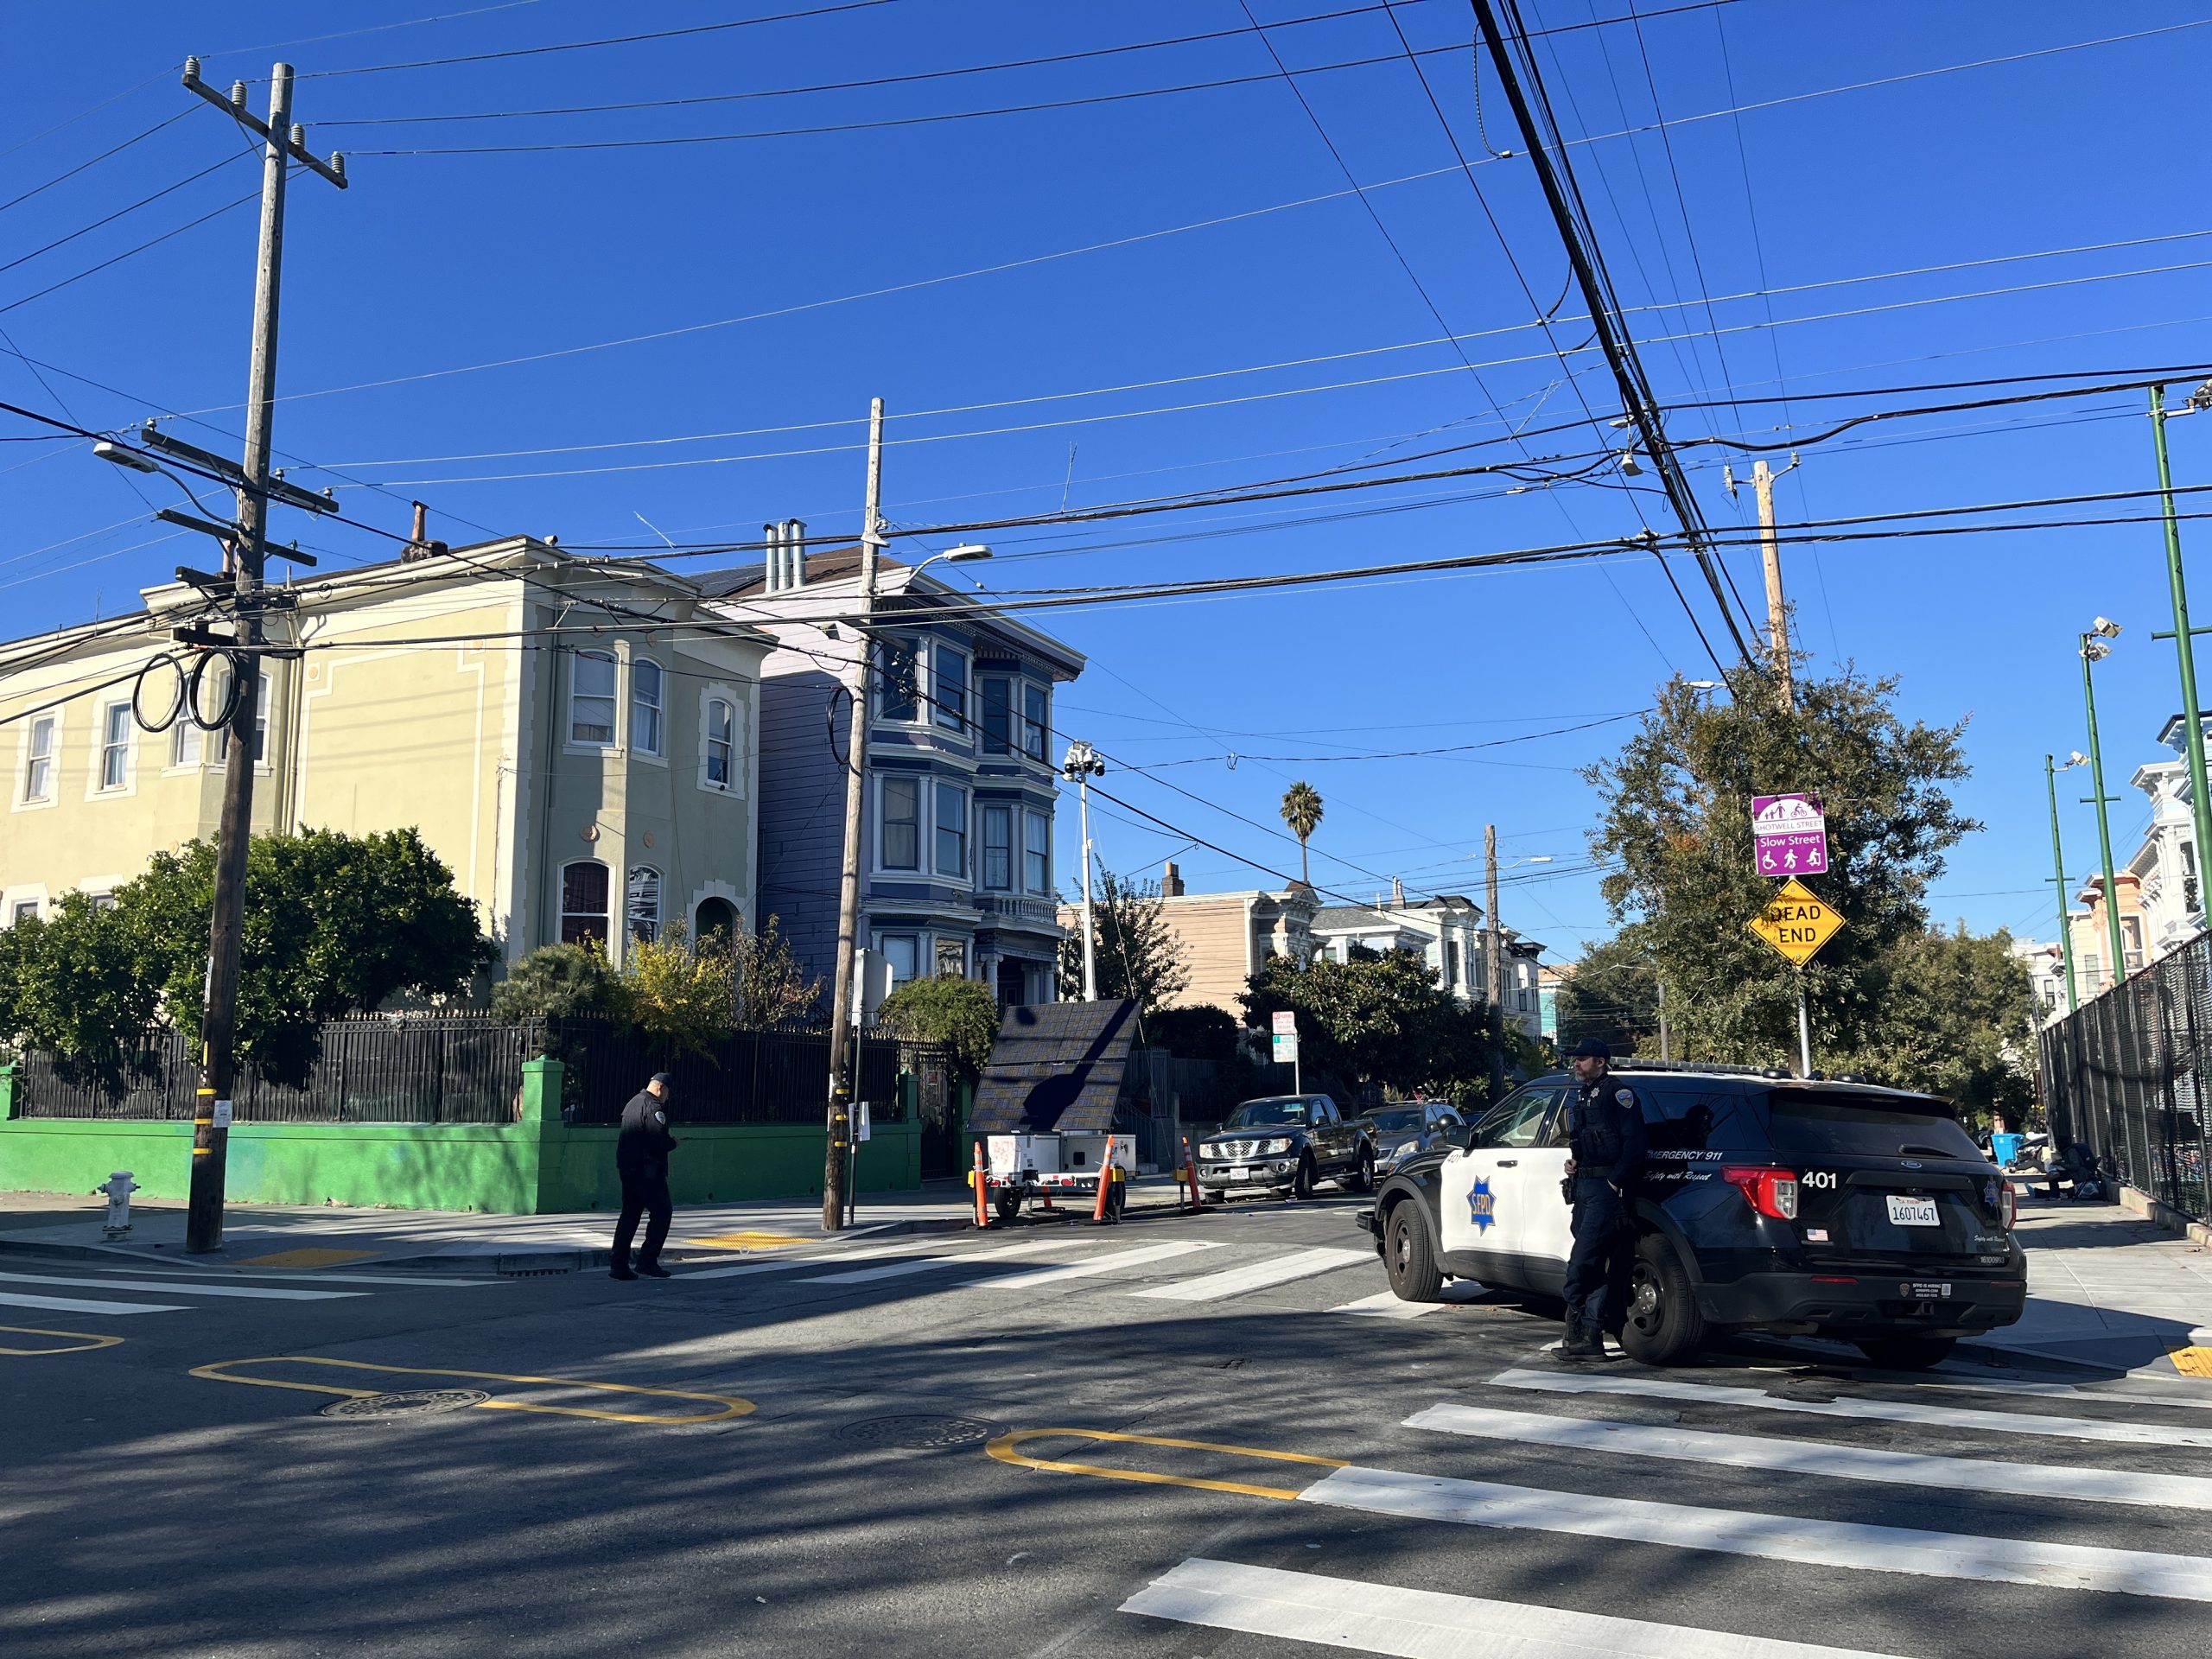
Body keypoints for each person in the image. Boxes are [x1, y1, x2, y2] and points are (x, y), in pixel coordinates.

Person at [1558, 1037, 1646, 1361]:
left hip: (1605, 1192)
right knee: (1592, 1263)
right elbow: (1587, 1141)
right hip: (1584, 1187)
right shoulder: (1584, 1095)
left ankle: (1580, 1327)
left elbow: (1636, 1147)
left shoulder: (1618, 1094)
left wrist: (1613, 1182)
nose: (1577, 1064)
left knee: (1581, 1261)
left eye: (1582, 1059)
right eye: (1576, 1059)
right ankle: (1587, 1339)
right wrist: (1575, 1162)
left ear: (1600, 1061)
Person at [611, 1071, 678, 1281]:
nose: (667, 1097)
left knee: (629, 1216)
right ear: (660, 1088)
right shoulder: (653, 1107)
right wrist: (673, 1143)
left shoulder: (633, 1103)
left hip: (628, 1170)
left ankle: (618, 1264)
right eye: (667, 1092)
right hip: (648, 1172)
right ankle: (647, 1260)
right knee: (663, 1212)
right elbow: (657, 1141)